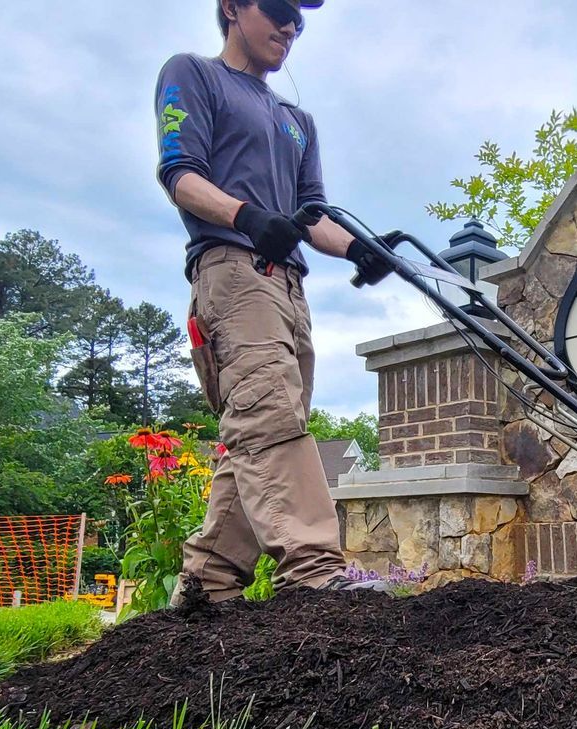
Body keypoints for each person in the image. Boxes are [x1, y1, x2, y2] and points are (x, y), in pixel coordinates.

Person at [155, 0, 394, 603]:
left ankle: (207, 583)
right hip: (231, 271)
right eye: (281, 8)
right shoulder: (193, 73)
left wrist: (361, 250)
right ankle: (314, 572)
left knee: (266, 421)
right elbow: (178, 173)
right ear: (233, 7)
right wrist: (245, 215)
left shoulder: (296, 119)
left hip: (288, 282)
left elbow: (311, 215)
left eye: (301, 19)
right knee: (269, 415)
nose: (291, 26)